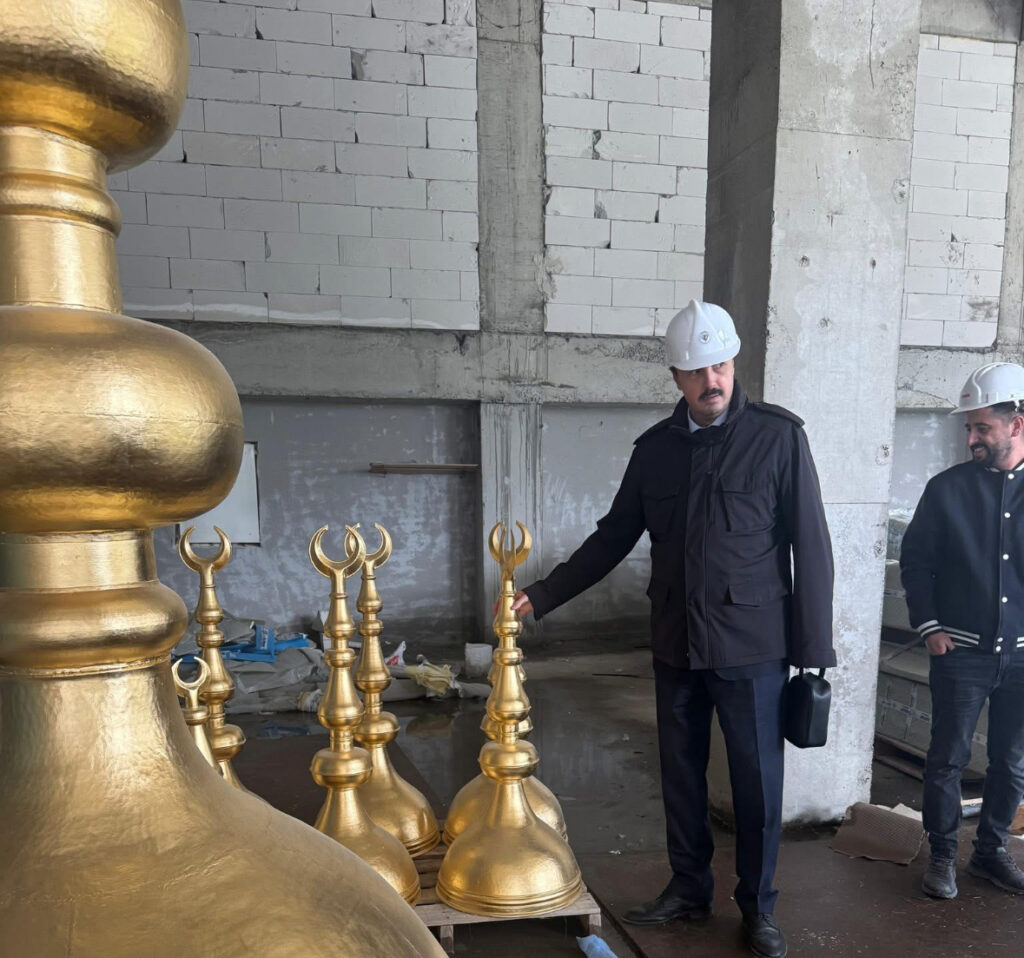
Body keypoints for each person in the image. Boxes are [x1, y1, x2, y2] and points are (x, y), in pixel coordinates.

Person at [512, 300, 835, 958]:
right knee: (682, 778)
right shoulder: (654, 453)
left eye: (718, 365)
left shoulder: (778, 438)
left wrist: (813, 653)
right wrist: (541, 596)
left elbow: (812, 547)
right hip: (676, 645)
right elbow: (613, 538)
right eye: (695, 371)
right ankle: (688, 889)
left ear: (733, 362)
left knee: (757, 785)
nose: (710, 380)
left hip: (754, 649)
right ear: (676, 378)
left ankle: (758, 906)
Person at [900, 361, 1024, 901]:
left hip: (1023, 657)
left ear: (1016, 423)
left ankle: (991, 853)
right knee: (947, 758)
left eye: (982, 428)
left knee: (1012, 761)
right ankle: (944, 857)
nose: (971, 438)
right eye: (968, 428)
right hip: (962, 654)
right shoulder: (946, 489)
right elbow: (916, 562)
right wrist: (930, 629)